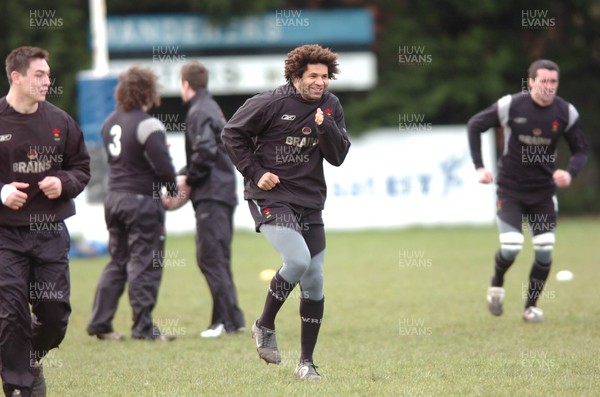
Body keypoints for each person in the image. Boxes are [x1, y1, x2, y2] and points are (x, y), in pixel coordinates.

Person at [222, 44, 351, 380]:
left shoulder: (331, 106)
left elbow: (337, 157)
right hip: (271, 196)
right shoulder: (270, 103)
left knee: (315, 280)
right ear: (296, 76)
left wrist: (326, 127)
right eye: (313, 76)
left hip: (309, 201)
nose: (320, 82)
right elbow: (231, 133)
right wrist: (254, 172)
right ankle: (264, 325)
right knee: (297, 261)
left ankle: (306, 363)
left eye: (324, 77)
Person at [0, 46, 91, 397]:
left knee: (54, 317)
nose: (46, 81)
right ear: (16, 77)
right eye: (39, 74)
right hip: (5, 235)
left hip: (50, 232)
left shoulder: (60, 121)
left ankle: (24, 358)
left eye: (48, 75)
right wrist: (2, 192)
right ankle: (20, 387)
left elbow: (81, 168)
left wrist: (63, 183)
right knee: (11, 316)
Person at [467, 59, 588, 323]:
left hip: (543, 193)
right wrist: (479, 167)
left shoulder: (566, 112)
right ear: (531, 81)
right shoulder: (511, 105)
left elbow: (581, 149)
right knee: (511, 247)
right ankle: (496, 284)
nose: (548, 86)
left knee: (544, 250)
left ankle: (530, 307)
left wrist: (570, 172)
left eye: (553, 81)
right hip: (510, 189)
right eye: (543, 81)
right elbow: (475, 124)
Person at [86, 66, 178, 342]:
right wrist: (172, 190)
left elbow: (125, 159)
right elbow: (164, 166)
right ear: (148, 92)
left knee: (118, 262)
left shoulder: (108, 122)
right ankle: (143, 327)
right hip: (141, 201)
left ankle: (100, 323)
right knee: (144, 263)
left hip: (113, 198)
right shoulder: (149, 125)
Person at [164, 61, 244, 338]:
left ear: (185, 84)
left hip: (212, 194)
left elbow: (206, 152)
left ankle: (227, 323)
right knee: (217, 258)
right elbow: (211, 151)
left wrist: (188, 178)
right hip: (221, 191)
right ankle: (229, 319)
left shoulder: (198, 111)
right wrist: (186, 172)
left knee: (210, 258)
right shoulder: (211, 107)